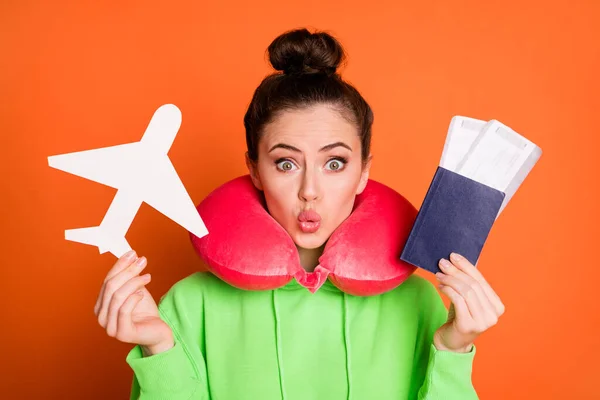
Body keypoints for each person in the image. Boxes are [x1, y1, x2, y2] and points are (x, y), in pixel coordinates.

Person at [94, 28, 505, 400]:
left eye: (335, 163)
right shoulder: (189, 304)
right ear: (255, 169)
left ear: (364, 172)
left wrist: (453, 351)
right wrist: (158, 348)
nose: (310, 191)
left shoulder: (416, 301)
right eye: (286, 164)